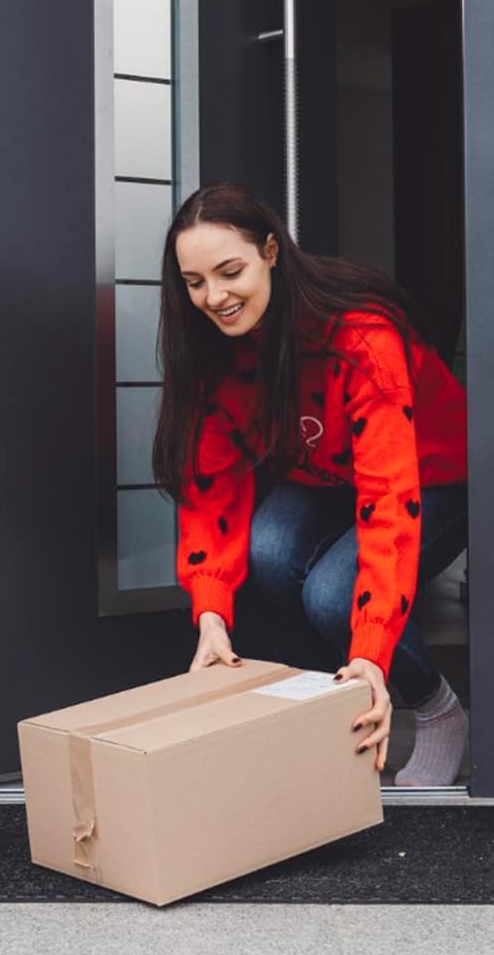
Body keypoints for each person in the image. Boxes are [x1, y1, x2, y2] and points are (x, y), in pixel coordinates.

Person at [151, 183, 469, 785]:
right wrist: (211, 616)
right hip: (330, 476)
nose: (215, 297)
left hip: (430, 473)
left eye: (230, 271)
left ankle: (435, 709)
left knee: (333, 595)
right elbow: (211, 489)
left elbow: (389, 498)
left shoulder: (362, 338)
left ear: (271, 251)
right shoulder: (214, 352)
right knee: (265, 550)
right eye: (195, 283)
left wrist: (372, 650)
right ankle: (333, 711)